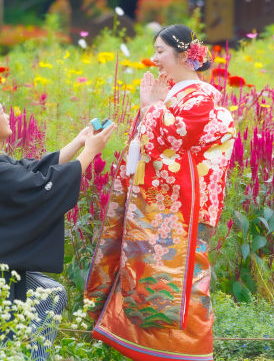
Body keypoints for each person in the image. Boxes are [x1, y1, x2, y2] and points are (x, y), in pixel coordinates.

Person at [84, 24, 236, 361]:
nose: (154, 60)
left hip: (182, 209)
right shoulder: (175, 97)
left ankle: (188, 350)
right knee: (145, 272)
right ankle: (142, 343)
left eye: (160, 52)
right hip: (163, 203)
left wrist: (150, 106)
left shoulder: (200, 98)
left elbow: (172, 141)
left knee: (183, 278)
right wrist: (152, 106)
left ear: (184, 55)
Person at [0, 87, 116, 359]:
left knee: (51, 293)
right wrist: (90, 153)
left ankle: (32, 355)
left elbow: (29, 171)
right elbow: (42, 188)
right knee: (14, 327)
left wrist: (79, 142)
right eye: (1, 111)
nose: (8, 115)